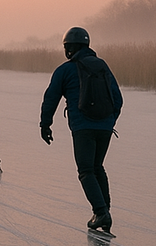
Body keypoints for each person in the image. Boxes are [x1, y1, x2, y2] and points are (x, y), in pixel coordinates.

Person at [39, 27, 122, 232]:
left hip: (83, 127)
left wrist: (45, 124)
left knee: (86, 170)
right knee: (97, 167)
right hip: (105, 127)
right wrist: (109, 121)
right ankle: (105, 211)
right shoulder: (102, 66)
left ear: (70, 48)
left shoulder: (65, 70)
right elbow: (118, 98)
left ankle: (101, 212)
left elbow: (51, 98)